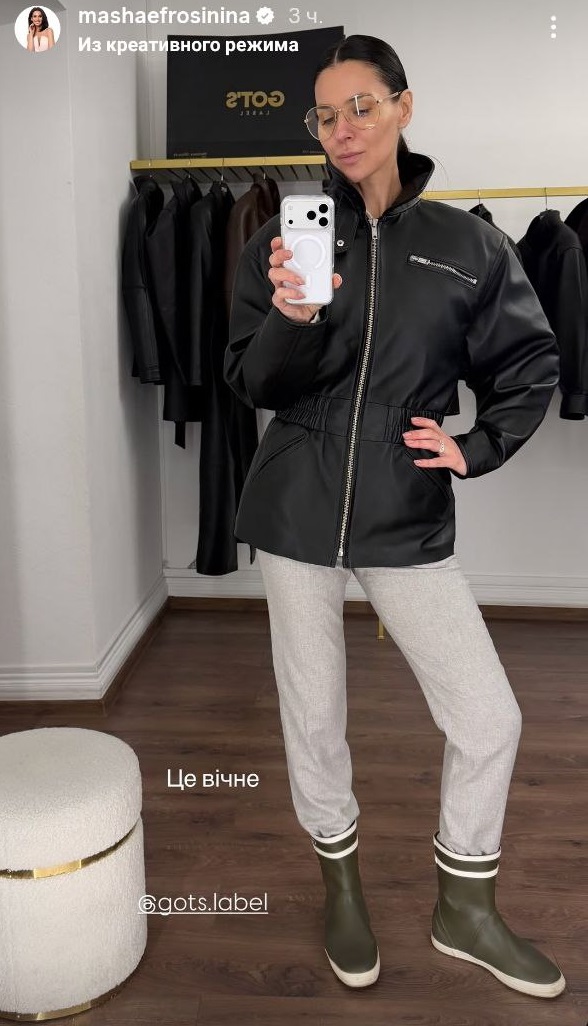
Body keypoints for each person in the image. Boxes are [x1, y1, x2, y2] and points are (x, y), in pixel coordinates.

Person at [223, 34, 565, 999]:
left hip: (404, 505)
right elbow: (251, 380)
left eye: (361, 107)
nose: (342, 130)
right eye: (325, 115)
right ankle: (342, 886)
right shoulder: (283, 239)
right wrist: (291, 317)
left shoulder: (469, 245)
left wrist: (478, 445)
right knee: (314, 715)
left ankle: (466, 908)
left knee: (489, 718)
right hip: (294, 504)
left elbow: (531, 363)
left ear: (404, 108)